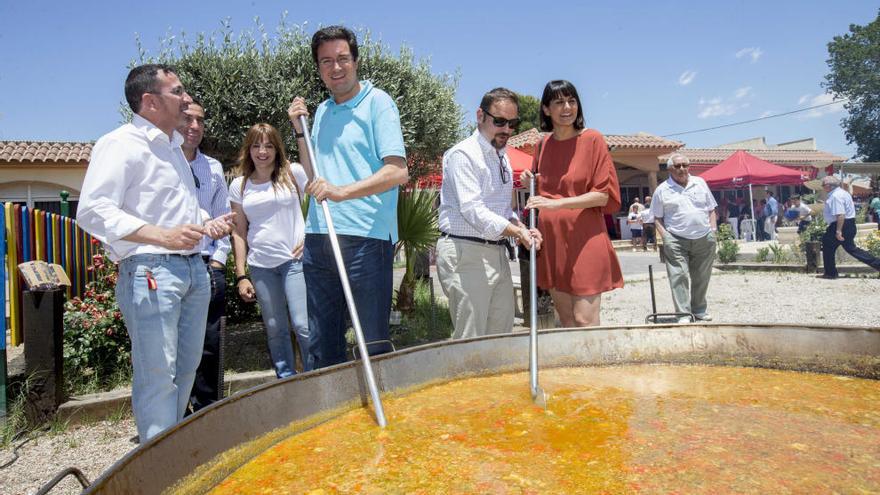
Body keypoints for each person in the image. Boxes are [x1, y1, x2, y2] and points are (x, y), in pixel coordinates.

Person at [77, 64, 234, 441]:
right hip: (151, 271)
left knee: (185, 369)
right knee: (158, 373)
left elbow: (173, 209)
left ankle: (167, 450)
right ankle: (158, 466)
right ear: (150, 102)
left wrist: (206, 224)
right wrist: (162, 237)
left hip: (192, 271)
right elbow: (93, 210)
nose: (187, 99)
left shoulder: (174, 150)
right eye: (177, 91)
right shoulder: (120, 144)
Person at [287, 26, 408, 368]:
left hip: (365, 239)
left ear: (355, 61)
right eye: (326, 61)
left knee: (373, 342)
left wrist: (342, 193)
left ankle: (382, 413)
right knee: (322, 344)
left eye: (342, 58)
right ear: (318, 68)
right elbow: (315, 175)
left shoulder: (378, 103)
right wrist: (300, 130)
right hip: (320, 237)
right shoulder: (323, 111)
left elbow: (398, 171)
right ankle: (335, 418)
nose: (335, 67)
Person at [437, 88, 542, 339]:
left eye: (512, 123)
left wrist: (521, 228)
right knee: (471, 339)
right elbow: (473, 210)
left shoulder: (502, 158)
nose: (506, 129)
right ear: (480, 116)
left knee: (501, 337)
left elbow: (502, 211)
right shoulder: (462, 155)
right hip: (465, 252)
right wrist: (517, 231)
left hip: (497, 252)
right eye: (499, 121)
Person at [525, 80, 623, 327]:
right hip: (552, 242)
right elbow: (542, 193)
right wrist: (531, 185)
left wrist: (555, 204)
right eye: (559, 102)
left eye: (572, 101)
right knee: (566, 320)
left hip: (585, 238)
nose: (567, 107)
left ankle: (595, 366)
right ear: (546, 109)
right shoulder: (541, 146)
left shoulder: (592, 139)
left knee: (584, 321)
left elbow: (603, 195)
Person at [229, 123, 312, 377]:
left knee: (302, 324)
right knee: (275, 327)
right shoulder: (240, 185)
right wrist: (241, 274)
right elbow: (238, 231)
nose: (262, 151)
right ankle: (285, 378)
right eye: (256, 145)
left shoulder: (292, 172)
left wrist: (308, 238)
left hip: (294, 261)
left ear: (277, 148)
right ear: (249, 149)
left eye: (268, 145)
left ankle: (316, 376)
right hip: (261, 266)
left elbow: (319, 192)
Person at [179, 101, 232, 413]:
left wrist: (218, 260)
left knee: (210, 345)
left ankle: (208, 412)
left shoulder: (212, 167)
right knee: (174, 346)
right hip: (173, 265)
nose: (195, 126)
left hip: (207, 267)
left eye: (200, 120)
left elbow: (223, 217)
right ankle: (175, 417)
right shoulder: (165, 163)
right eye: (188, 119)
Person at [650, 152, 717, 322]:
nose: (682, 169)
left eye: (685, 165)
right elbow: (656, 217)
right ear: (669, 169)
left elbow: (711, 208)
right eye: (677, 166)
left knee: (702, 276)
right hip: (676, 239)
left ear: (689, 167)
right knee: (678, 276)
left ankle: (699, 309)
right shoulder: (662, 190)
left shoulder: (700, 183)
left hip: (704, 237)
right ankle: (683, 313)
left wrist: (713, 231)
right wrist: (666, 237)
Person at [819, 175, 880, 279]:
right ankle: (877, 264)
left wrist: (838, 231)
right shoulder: (843, 193)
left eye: (823, 185)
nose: (822, 187)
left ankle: (831, 273)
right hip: (848, 223)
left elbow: (840, 214)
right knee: (851, 249)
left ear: (828, 186)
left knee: (828, 244)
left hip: (840, 224)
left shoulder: (835, 196)